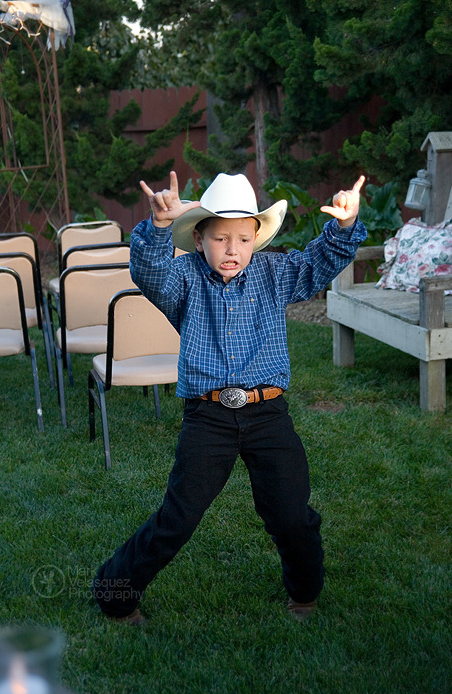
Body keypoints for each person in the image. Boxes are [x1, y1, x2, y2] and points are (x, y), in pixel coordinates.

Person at [92, 170, 367, 624]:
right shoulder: (182, 279)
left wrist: (342, 225)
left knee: (291, 515)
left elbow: (321, 262)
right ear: (198, 240)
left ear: (257, 237)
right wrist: (160, 226)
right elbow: (149, 270)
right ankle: (114, 592)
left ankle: (305, 594)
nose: (232, 249)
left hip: (268, 413)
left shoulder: (276, 273)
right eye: (220, 238)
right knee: (177, 517)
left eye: (242, 237)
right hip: (209, 417)